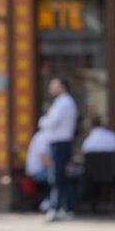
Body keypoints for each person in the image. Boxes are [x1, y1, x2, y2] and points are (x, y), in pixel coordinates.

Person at [39, 77, 78, 221]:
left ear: (62, 87)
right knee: (60, 176)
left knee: (57, 176)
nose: (51, 88)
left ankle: (56, 208)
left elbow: (50, 122)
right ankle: (64, 208)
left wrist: (43, 121)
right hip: (62, 143)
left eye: (54, 85)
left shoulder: (63, 103)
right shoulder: (66, 102)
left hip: (59, 143)